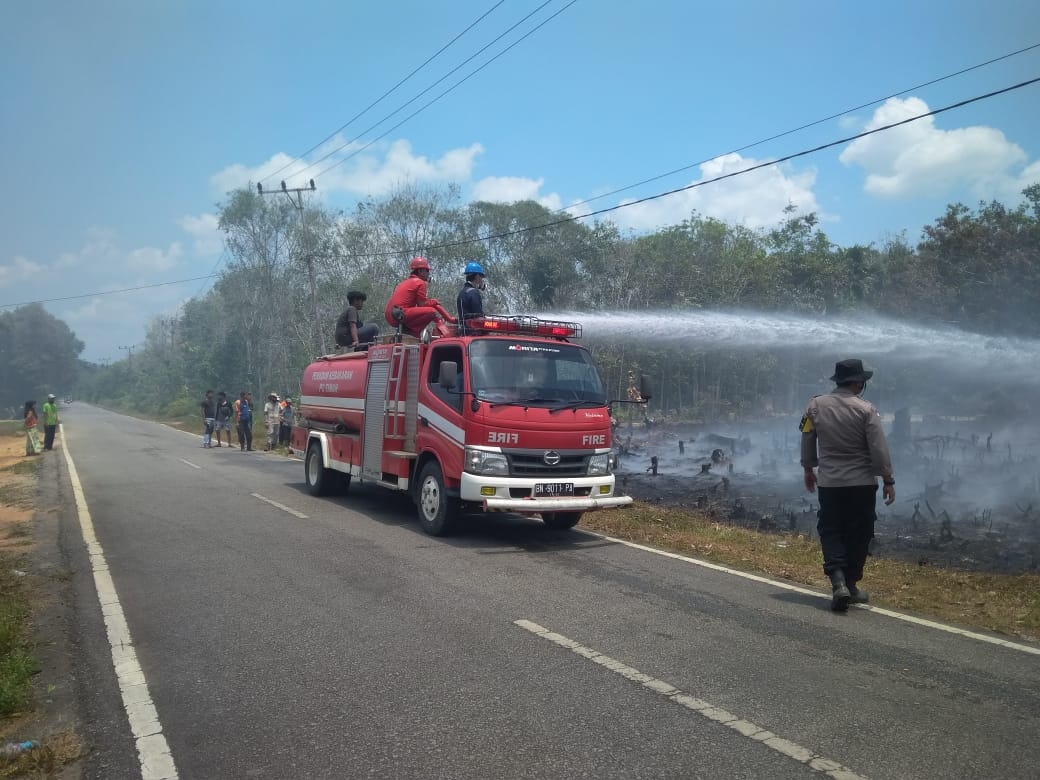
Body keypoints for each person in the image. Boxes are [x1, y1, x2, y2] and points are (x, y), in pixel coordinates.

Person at [801, 358, 895, 612]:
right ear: (857, 382)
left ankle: (840, 583)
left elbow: (807, 437)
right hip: (862, 484)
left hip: (829, 483)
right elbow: (879, 449)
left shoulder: (814, 406)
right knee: (860, 532)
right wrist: (888, 479)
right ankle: (850, 581)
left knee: (830, 529)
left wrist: (808, 468)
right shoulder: (866, 410)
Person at [384, 256, 455, 337]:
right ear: (420, 271)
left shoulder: (406, 282)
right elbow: (422, 304)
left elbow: (419, 306)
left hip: (392, 315)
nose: (428, 273)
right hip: (399, 313)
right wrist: (434, 302)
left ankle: (412, 333)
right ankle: (446, 335)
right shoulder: (420, 282)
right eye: (427, 270)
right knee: (432, 312)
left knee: (426, 313)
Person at [456, 261, 486, 334]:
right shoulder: (474, 292)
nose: (481, 280)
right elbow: (479, 316)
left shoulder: (462, 292)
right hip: (474, 332)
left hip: (464, 331)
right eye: (481, 277)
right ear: (477, 276)